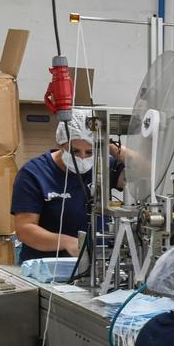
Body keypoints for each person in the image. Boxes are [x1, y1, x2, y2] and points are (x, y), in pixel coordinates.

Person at [10, 111, 127, 263]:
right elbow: (25, 229)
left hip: (99, 263)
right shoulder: (34, 173)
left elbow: (144, 172)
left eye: (89, 152)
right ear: (61, 144)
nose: (83, 157)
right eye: (75, 151)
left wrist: (110, 145)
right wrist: (66, 242)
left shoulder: (102, 167)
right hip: (50, 268)